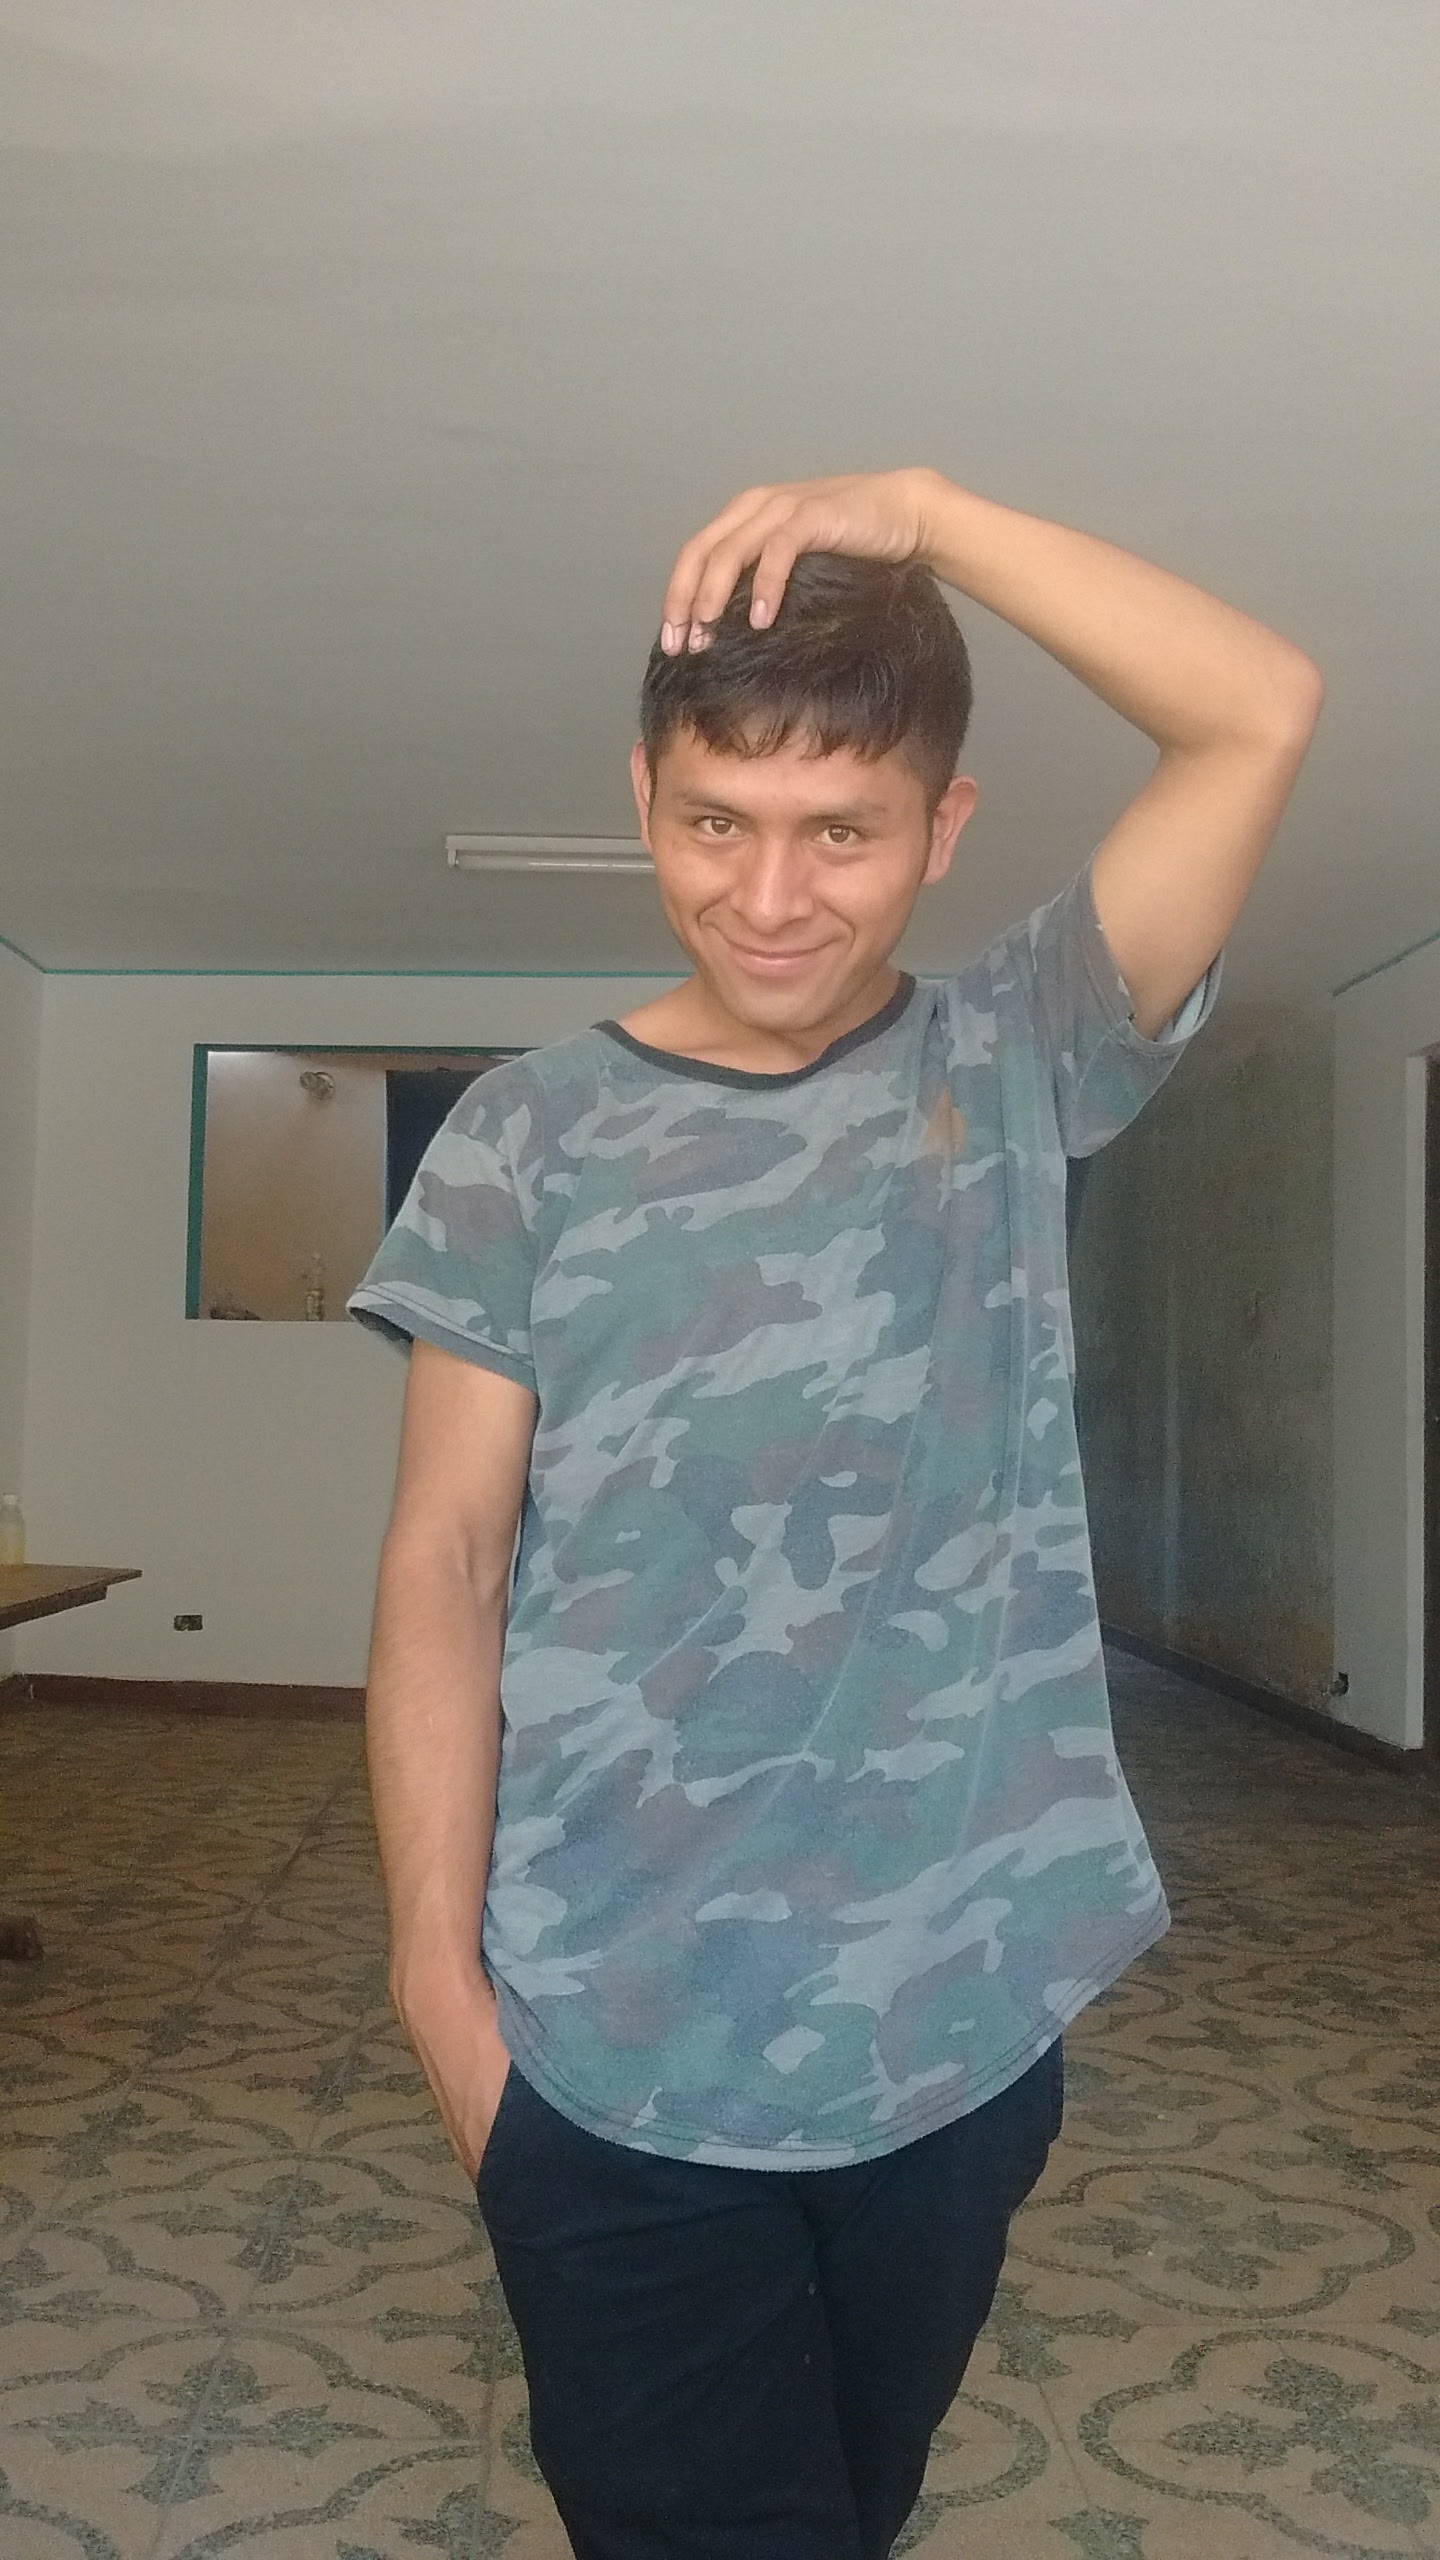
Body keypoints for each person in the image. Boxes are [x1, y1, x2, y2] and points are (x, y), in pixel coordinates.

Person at [349, 468, 1322, 2559]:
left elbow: (1256, 704)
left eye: (842, 831)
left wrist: (928, 511)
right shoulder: (528, 1138)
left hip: (955, 2022)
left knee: (844, 2510)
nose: (771, 894)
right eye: (717, 822)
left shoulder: (1019, 1053)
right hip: (602, 2031)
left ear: (943, 827)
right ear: (644, 796)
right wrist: (439, 1984)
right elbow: (448, 1557)